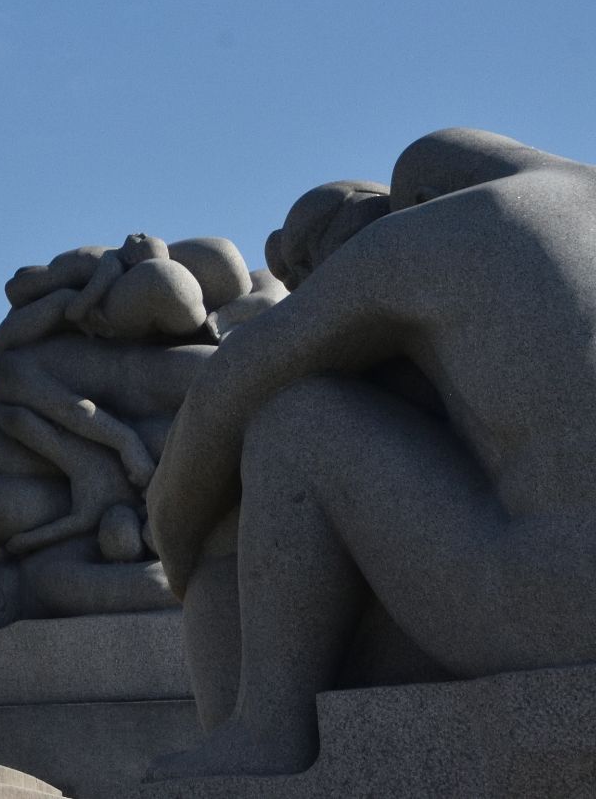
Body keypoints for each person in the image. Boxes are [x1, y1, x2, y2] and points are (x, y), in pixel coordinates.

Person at [146, 129, 596, 780]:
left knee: (295, 424)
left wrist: (170, 531)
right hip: (545, 571)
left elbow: (228, 388)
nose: (311, 282)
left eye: (313, 259)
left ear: (418, 195)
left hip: (563, 601)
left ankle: (267, 731)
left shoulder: (443, 224)